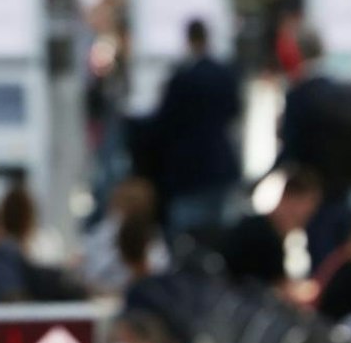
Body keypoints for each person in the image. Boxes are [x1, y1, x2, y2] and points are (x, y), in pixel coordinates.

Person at [278, 31, 351, 266]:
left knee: (322, 260)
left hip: (315, 193)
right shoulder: (346, 92)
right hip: (350, 188)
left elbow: (291, 147)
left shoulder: (300, 96)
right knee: (349, 256)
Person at [153, 19, 243, 241]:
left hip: (189, 170)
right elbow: (234, 111)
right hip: (219, 165)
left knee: (187, 237)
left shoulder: (182, 78)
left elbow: (165, 121)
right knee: (219, 235)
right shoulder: (224, 74)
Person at [220, 169, 323, 295]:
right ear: (286, 199)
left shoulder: (271, 233)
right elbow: (273, 289)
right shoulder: (260, 235)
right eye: (299, 211)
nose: (307, 216)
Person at [84, 178, 168, 296]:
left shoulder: (152, 235)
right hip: (105, 292)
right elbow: (92, 272)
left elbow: (159, 272)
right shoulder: (108, 229)